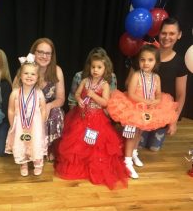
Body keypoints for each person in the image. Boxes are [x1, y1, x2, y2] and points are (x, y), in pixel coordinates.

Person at [54, 52, 129, 189]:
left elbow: (105, 103)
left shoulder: (105, 85)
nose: (95, 70)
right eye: (93, 67)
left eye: (99, 67)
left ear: (105, 69)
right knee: (78, 143)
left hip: (97, 119)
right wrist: (79, 100)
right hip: (81, 117)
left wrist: (93, 95)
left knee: (96, 146)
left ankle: (93, 166)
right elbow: (76, 93)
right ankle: (80, 166)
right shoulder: (84, 81)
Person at [108, 44, 178, 178]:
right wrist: (147, 102)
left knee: (140, 132)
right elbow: (131, 94)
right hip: (133, 109)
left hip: (147, 110)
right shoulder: (136, 75)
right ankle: (127, 161)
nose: (146, 63)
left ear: (156, 62)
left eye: (150, 60)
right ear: (139, 61)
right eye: (142, 60)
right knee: (131, 134)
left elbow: (158, 94)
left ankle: (134, 153)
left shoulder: (156, 78)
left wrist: (156, 101)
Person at [126, 17, 189, 152]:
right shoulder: (145, 56)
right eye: (164, 33)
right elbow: (128, 83)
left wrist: (173, 121)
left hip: (161, 113)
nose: (167, 37)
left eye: (172, 33)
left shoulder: (180, 63)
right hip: (140, 109)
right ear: (158, 33)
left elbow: (181, 94)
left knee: (154, 148)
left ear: (179, 35)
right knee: (137, 145)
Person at [5, 53, 47, 176]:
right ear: (20, 76)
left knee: (35, 143)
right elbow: (11, 110)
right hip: (20, 126)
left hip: (35, 126)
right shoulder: (15, 93)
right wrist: (13, 124)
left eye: (33, 74)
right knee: (21, 143)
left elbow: (43, 109)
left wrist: (42, 123)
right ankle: (23, 163)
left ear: (38, 77)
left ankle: (38, 163)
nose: (29, 76)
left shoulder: (39, 93)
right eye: (26, 73)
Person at [29, 38, 65, 162]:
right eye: (40, 52)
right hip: (29, 108)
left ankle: (49, 147)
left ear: (51, 55)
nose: (44, 56)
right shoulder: (26, 68)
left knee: (56, 112)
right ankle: (31, 147)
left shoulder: (57, 70)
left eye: (48, 53)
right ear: (34, 53)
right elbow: (16, 93)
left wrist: (48, 106)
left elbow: (61, 98)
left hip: (49, 108)